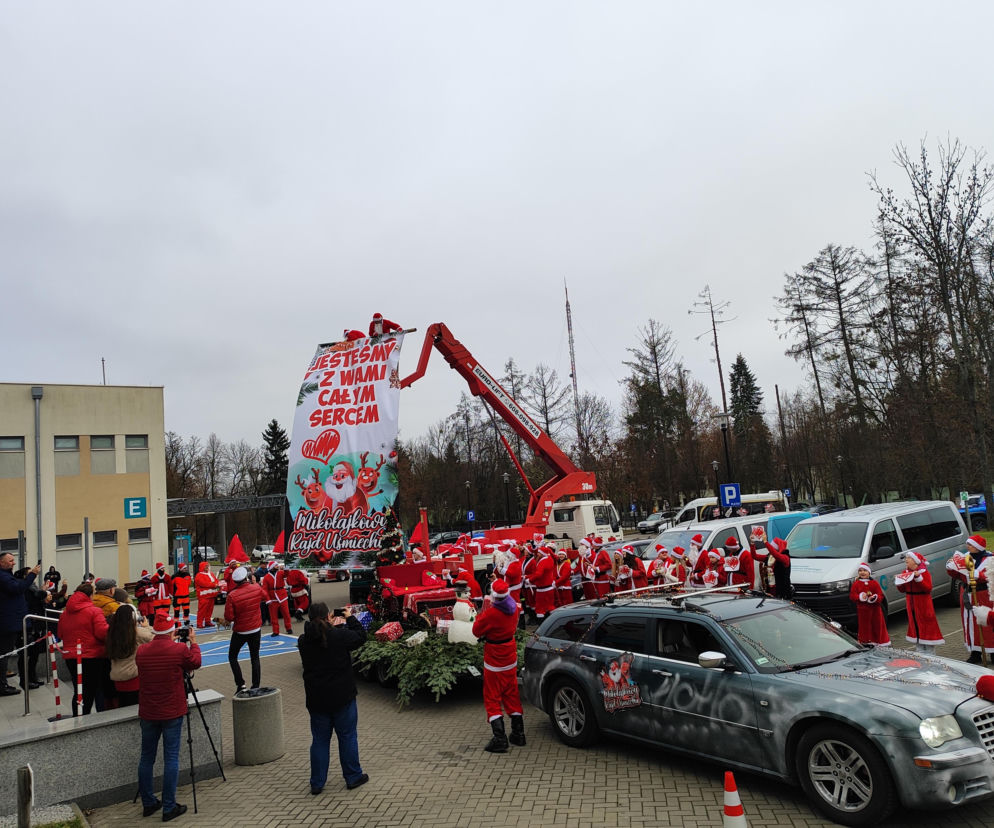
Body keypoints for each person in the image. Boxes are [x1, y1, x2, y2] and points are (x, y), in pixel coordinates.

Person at [297, 603, 369, 795]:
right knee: (347, 737)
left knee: (319, 740)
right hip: (342, 696)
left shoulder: (303, 641)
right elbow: (361, 637)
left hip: (317, 698)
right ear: (329, 616)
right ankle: (353, 776)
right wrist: (349, 617)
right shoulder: (339, 636)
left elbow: (319, 638)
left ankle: (317, 783)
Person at [136, 612, 201, 822]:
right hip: (172, 710)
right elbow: (195, 662)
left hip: (148, 710)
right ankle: (169, 806)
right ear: (173, 630)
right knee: (171, 758)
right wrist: (193, 642)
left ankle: (148, 802)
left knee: (147, 757)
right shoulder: (179, 649)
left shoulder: (142, 651)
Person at [471, 578, 524, 752]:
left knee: (492, 696)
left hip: (495, 658)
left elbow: (476, 630)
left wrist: (483, 613)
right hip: (510, 655)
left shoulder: (491, 614)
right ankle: (518, 733)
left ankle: (500, 739)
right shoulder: (515, 608)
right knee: (511, 692)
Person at [57, 582, 110, 714]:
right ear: (90, 595)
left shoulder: (65, 613)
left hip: (71, 656)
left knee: (78, 690)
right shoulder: (94, 611)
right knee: (91, 690)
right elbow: (102, 633)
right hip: (91, 655)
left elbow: (60, 634)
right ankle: (85, 720)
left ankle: (78, 716)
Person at [1, 557, 43, 694]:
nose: (13, 562)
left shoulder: (7, 576)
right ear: (1, 562)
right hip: (9, 623)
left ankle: (5, 683)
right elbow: (17, 588)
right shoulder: (3, 577)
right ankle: (2, 685)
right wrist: (33, 574)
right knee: (5, 654)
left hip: (13, 622)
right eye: (10, 560)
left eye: (13, 560)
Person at [224, 566, 266, 694]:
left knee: (232, 656)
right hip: (255, 629)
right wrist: (255, 584)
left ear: (236, 581)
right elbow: (264, 597)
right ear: (246, 578)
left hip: (241, 630)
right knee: (255, 657)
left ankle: (240, 684)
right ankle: (256, 685)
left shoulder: (232, 595)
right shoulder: (256, 588)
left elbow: (229, 617)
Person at [896, 551, 944, 653]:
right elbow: (902, 590)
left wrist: (918, 578)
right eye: (906, 558)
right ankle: (920, 652)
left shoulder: (924, 573)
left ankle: (931, 654)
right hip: (911, 604)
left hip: (923, 604)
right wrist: (899, 582)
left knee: (927, 628)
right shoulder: (905, 573)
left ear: (915, 562)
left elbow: (928, 588)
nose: (906, 560)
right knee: (916, 628)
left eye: (909, 558)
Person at [106, 603, 154, 707]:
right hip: (134, 678)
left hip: (117, 680)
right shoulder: (136, 632)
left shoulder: (111, 632)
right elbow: (154, 639)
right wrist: (147, 627)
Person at [849, 564, 890, 646]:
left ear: (869, 572)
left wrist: (875, 598)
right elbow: (852, 596)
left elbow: (880, 595)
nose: (862, 572)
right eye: (860, 571)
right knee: (865, 627)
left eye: (864, 570)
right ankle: (866, 642)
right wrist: (860, 597)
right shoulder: (856, 584)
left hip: (876, 610)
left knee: (877, 625)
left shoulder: (874, 583)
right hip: (863, 610)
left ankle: (880, 641)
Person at [194, 562, 220, 629]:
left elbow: (216, 580)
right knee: (202, 610)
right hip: (204, 596)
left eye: (207, 566)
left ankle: (207, 621)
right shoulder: (199, 575)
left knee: (209, 610)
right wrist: (214, 585)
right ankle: (199, 623)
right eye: (205, 566)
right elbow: (204, 584)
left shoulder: (210, 573)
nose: (207, 567)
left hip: (212, 595)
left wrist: (216, 584)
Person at [171, 562, 193, 628]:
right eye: (184, 568)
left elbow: (189, 584)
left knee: (186, 611)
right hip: (177, 597)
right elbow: (171, 586)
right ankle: (176, 624)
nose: (185, 569)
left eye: (186, 568)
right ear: (180, 569)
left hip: (186, 596)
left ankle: (187, 623)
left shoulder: (188, 575)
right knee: (176, 612)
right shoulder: (174, 576)